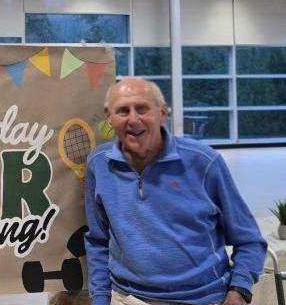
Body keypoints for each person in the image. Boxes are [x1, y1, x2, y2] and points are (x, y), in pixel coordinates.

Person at [84, 78, 267, 305]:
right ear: (109, 117)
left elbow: (249, 240)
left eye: (142, 109)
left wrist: (239, 289)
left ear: (162, 113)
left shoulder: (204, 162)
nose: (133, 119)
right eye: (123, 111)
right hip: (127, 298)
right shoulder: (99, 165)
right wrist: (100, 300)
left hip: (202, 298)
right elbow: (98, 242)